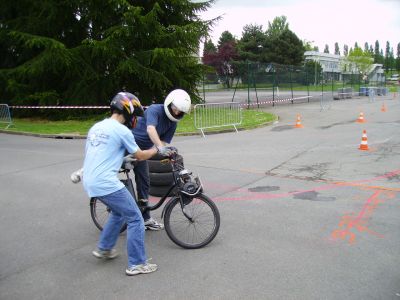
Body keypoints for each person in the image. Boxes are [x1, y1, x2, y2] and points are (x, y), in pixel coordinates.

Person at [82, 92, 168, 276]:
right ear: (128, 111)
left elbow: (100, 154)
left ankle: (104, 247)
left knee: (120, 211)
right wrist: (157, 148)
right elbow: (141, 156)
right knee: (136, 218)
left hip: (90, 180)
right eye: (134, 115)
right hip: (106, 182)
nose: (134, 119)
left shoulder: (97, 127)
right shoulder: (122, 131)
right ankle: (137, 263)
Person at [132, 89, 191, 230]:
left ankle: (145, 219)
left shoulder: (173, 123)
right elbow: (151, 129)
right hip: (130, 143)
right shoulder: (155, 110)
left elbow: (163, 143)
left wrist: (166, 152)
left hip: (143, 151)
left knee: (144, 181)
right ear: (169, 103)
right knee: (111, 169)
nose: (176, 112)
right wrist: (159, 147)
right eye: (175, 109)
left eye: (180, 111)